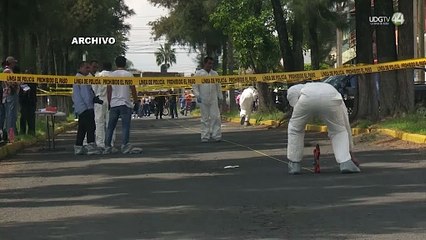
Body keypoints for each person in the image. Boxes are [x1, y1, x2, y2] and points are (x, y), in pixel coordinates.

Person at [286, 82, 360, 174]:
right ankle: (345, 162)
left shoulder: (295, 88)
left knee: (295, 129)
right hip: (331, 98)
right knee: (339, 130)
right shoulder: (330, 89)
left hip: (307, 99)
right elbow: (345, 123)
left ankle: (294, 164)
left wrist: (296, 109)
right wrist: (351, 154)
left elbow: (293, 98)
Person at [104, 56, 142, 154]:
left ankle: (107, 146)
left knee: (110, 127)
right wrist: (136, 100)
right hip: (125, 104)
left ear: (115, 64)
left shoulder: (111, 76)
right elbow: (133, 89)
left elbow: (109, 90)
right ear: (125, 64)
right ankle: (124, 145)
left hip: (114, 103)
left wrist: (109, 102)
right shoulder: (129, 75)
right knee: (125, 126)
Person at [72, 61, 101, 155]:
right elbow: (86, 95)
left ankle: (78, 147)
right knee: (90, 127)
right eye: (87, 68)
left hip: (80, 107)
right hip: (86, 107)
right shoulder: (82, 79)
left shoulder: (79, 78)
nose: (89, 70)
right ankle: (91, 147)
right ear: (80, 68)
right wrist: (91, 103)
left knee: (82, 128)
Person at [192, 56, 223, 142]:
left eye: (212, 64)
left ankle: (216, 135)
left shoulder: (215, 74)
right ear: (205, 63)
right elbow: (194, 86)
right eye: (209, 63)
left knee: (216, 117)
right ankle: (205, 136)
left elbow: (218, 86)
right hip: (203, 98)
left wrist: (220, 96)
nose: (210, 65)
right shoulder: (198, 74)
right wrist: (197, 95)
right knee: (205, 118)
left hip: (213, 98)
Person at [92, 62, 115, 149]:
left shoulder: (98, 76)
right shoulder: (114, 76)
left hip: (99, 101)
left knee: (99, 123)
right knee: (110, 123)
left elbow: (94, 90)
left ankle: (100, 143)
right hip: (111, 101)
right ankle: (110, 143)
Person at [3, 56, 20, 142]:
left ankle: (11, 135)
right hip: (10, 95)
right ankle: (11, 136)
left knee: (12, 116)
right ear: (10, 63)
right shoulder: (7, 71)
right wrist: (18, 82)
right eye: (13, 63)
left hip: (10, 95)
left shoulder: (9, 70)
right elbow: (11, 83)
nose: (14, 64)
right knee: (11, 116)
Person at [19, 69, 37, 135]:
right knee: (23, 117)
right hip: (24, 102)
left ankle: (31, 132)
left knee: (31, 118)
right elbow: (20, 92)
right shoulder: (22, 82)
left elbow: (33, 90)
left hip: (31, 102)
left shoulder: (34, 82)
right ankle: (22, 132)